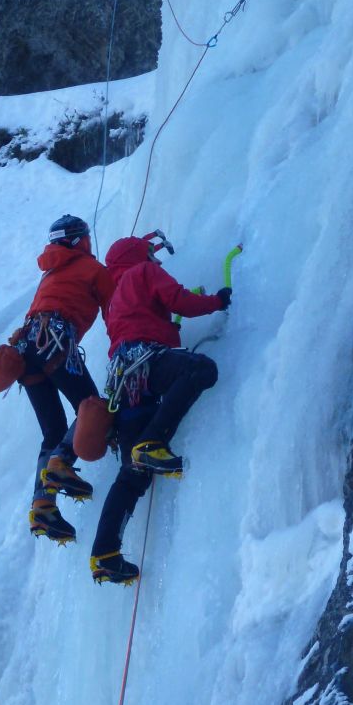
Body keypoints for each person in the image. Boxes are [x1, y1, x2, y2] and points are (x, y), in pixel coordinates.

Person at [88, 233, 232, 585]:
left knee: (133, 473)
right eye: (151, 253)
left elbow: (146, 318)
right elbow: (177, 299)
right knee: (201, 370)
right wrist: (217, 301)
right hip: (147, 363)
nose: (156, 259)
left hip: (125, 384)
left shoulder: (113, 300)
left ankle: (105, 553)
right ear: (139, 256)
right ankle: (152, 441)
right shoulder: (143, 273)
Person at [17, 215, 116, 544]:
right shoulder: (93, 270)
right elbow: (117, 310)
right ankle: (62, 463)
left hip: (27, 350)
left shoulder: (49, 274)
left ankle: (43, 505)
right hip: (55, 343)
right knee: (93, 406)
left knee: (53, 432)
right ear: (80, 240)